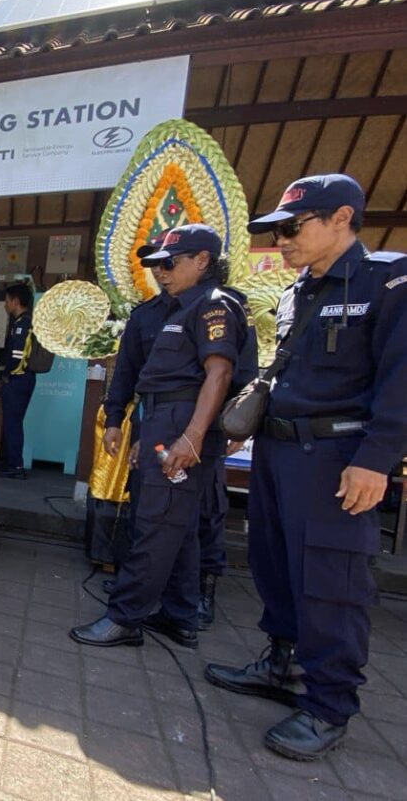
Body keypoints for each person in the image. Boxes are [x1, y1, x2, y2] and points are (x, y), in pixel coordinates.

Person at [205, 174, 407, 761]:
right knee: (274, 565)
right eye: (277, 231)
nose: (283, 241)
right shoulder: (300, 290)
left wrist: (375, 459)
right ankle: (281, 666)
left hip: (339, 460)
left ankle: (327, 705)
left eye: (292, 228)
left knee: (331, 582)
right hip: (278, 452)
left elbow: (401, 381)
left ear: (341, 218)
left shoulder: (388, 281)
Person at [70, 224, 248, 651]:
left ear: (202, 261)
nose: (161, 272)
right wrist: (126, 422)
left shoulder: (213, 306)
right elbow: (133, 372)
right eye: (156, 266)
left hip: (184, 420)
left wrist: (191, 436)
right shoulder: (167, 310)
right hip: (163, 417)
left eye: (171, 263)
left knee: (154, 521)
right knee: (179, 526)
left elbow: (222, 373)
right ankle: (180, 614)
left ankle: (125, 618)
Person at [0, 283, 37, 478]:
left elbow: (17, 357)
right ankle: (9, 461)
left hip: (18, 380)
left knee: (13, 423)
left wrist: (6, 377)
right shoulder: (23, 322)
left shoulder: (22, 325)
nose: (5, 305)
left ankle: (16, 466)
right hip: (22, 380)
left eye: (6, 301)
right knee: (12, 422)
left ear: (15, 301)